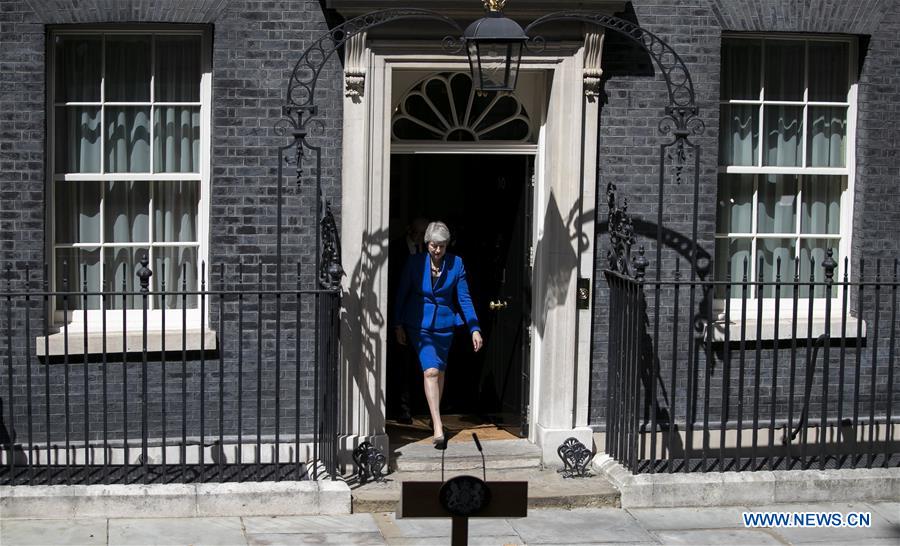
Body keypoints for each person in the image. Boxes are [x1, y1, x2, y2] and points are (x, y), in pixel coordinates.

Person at [393, 221, 483, 448]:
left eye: (442, 246)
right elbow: (401, 294)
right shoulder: (414, 263)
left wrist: (474, 328)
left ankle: (434, 416)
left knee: (439, 372)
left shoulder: (457, 264)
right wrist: (398, 325)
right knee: (431, 371)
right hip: (419, 324)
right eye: (434, 245)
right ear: (428, 243)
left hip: (445, 326)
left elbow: (464, 298)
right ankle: (438, 425)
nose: (437, 250)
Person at [387, 217, 429, 424]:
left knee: (425, 366)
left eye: (424, 234)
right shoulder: (395, 250)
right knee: (403, 365)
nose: (420, 238)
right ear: (408, 230)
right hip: (405, 316)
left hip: (426, 320)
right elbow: (396, 289)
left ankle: (425, 408)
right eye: (417, 234)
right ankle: (403, 409)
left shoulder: (431, 252)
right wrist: (398, 323)